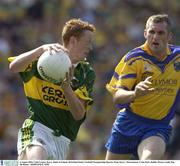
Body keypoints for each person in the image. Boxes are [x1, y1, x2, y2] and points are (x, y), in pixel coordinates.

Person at [8, 18, 96, 160]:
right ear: (73, 40)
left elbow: (79, 114)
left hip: (63, 141)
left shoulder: (86, 72)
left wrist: (67, 89)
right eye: (88, 42)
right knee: (37, 158)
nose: (90, 48)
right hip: (38, 129)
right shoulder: (43, 59)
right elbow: (14, 67)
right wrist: (40, 49)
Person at [105, 14, 180, 160]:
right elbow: (117, 97)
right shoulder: (134, 59)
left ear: (169, 36)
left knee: (149, 160)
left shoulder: (178, 58)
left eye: (160, 33)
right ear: (145, 33)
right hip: (128, 123)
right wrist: (135, 94)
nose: (155, 37)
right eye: (151, 32)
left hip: (157, 126)